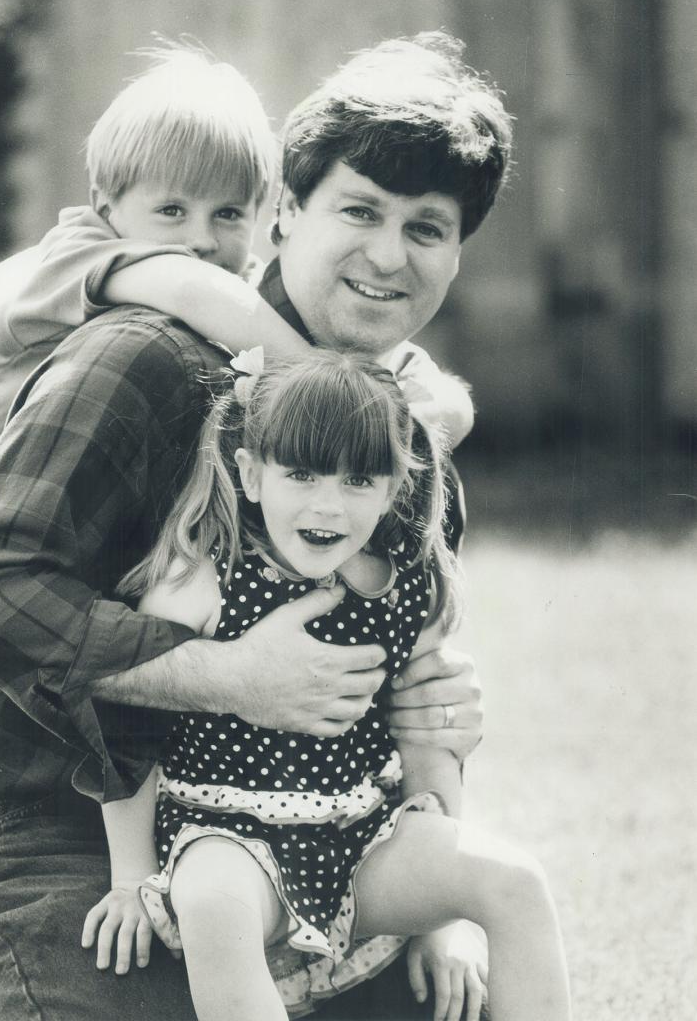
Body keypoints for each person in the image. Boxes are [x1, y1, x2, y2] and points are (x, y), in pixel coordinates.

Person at [0, 29, 506, 1021]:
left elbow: (407, 689)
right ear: (285, 218)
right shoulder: (144, 355)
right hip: (61, 825)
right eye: (359, 211)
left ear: (455, 256)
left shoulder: (402, 449)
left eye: (427, 227)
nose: (386, 254)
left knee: (464, 1001)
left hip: (308, 838)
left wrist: (441, 884)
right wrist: (225, 675)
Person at [0, 39, 474, 734]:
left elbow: (422, 383)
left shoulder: (225, 303)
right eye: (172, 211)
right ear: (106, 202)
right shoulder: (96, 258)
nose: (198, 238)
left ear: (260, 215)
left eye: (226, 215)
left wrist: (429, 418)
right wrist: (328, 393)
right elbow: (192, 284)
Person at [82, 350, 571, 1021]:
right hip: (224, 834)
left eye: (358, 481)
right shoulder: (202, 580)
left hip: (362, 831)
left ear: (397, 486)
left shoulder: (404, 588)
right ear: (251, 474)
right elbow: (127, 721)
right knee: (212, 904)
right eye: (302, 474)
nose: (327, 505)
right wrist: (131, 877)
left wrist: (438, 924)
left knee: (515, 881)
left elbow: (427, 732)